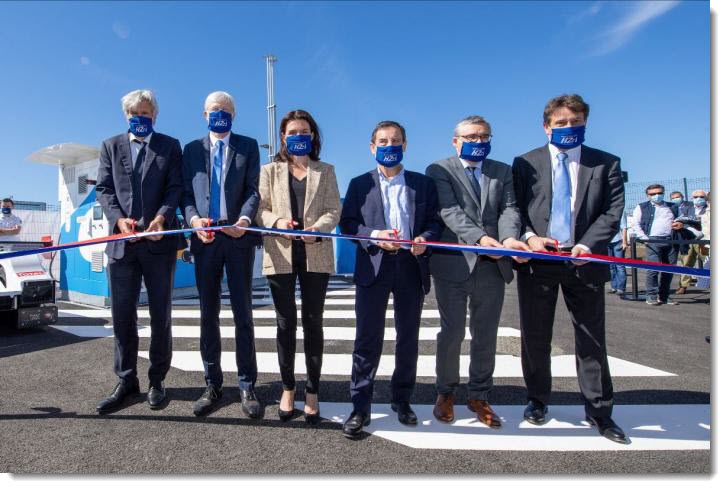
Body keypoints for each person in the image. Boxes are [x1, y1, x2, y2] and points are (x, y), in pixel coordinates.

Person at [512, 94, 627, 443]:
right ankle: (537, 400)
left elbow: (612, 211)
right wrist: (530, 238)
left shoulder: (605, 163)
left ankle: (600, 412)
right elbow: (514, 208)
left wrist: (587, 245)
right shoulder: (525, 163)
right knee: (535, 336)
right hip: (539, 261)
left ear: (585, 124)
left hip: (584, 261)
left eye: (575, 122)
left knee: (591, 338)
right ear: (547, 126)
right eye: (560, 123)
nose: (568, 128)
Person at [339, 120, 441, 438]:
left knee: (407, 339)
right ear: (372, 147)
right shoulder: (359, 185)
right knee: (367, 340)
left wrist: (424, 237)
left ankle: (402, 400)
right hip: (373, 268)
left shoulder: (422, 184)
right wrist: (374, 235)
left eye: (395, 140)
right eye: (382, 141)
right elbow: (348, 225)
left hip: (411, 267)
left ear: (405, 145)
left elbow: (435, 223)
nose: (389, 145)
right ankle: (360, 406)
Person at [425, 116, 528, 427]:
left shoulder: (502, 171)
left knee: (485, 334)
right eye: (471, 136)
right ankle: (446, 392)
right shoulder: (439, 169)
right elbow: (449, 211)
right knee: (452, 332)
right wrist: (482, 239)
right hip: (453, 263)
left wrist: (508, 239)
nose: (479, 141)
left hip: (493, 266)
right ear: (456, 141)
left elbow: (510, 208)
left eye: (484, 136)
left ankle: (479, 396)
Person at [95, 89, 184, 413]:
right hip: (122, 246)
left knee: (161, 315)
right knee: (122, 316)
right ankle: (126, 381)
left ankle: (157, 380)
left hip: (159, 245)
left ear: (155, 116)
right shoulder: (110, 146)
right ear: (126, 116)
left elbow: (176, 187)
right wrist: (118, 221)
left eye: (146, 114)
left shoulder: (170, 146)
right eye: (135, 114)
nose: (140, 118)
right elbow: (103, 189)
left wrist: (161, 218)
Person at [256, 110, 341, 424]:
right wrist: (278, 222)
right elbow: (260, 211)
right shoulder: (270, 171)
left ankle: (313, 390)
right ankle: (288, 387)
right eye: (293, 131)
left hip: (316, 255)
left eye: (304, 131)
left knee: (313, 322)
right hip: (279, 255)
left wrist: (317, 228)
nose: (299, 136)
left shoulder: (326, 171)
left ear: (313, 136)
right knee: (285, 323)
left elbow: (334, 209)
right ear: (283, 137)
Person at [182, 91, 263, 418]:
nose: (221, 115)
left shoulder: (248, 146)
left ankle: (247, 383)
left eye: (226, 110)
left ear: (234, 115)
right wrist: (193, 220)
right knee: (208, 313)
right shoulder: (190, 150)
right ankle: (212, 382)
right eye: (215, 110)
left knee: (243, 313)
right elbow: (185, 194)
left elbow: (255, 190)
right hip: (205, 240)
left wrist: (244, 220)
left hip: (238, 238)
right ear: (204, 115)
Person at [631, 184, 683, 305]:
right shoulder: (641, 207)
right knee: (653, 269)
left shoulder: (673, 206)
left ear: (664, 193)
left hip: (671, 240)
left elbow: (681, 220)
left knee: (669, 270)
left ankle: (664, 296)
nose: (656, 196)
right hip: (652, 241)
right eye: (653, 194)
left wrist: (681, 224)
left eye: (659, 193)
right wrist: (645, 238)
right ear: (647, 195)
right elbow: (635, 224)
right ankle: (651, 295)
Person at [676, 189, 709, 294]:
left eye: (701, 197)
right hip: (689, 239)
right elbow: (680, 221)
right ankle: (683, 286)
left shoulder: (709, 209)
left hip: (704, 240)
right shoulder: (687, 209)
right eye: (695, 197)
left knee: (709, 262)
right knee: (686, 263)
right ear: (692, 198)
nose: (698, 199)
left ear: (706, 198)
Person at [607, 212, 629, 295]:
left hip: (617, 241)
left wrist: (624, 242)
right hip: (607, 241)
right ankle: (614, 287)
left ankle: (621, 288)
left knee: (619, 265)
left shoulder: (621, 211)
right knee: (611, 266)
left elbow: (624, 227)